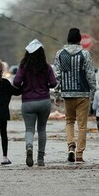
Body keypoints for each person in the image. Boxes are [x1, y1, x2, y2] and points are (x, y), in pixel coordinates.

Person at [53, 27, 97, 163]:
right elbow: (90, 74)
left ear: (68, 39)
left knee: (69, 121)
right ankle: (79, 154)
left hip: (67, 94)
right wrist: (94, 90)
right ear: (79, 40)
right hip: (83, 94)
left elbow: (57, 76)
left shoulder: (60, 54)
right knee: (82, 125)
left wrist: (57, 94)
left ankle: (71, 146)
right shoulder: (85, 54)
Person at [13, 39, 57, 167]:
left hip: (28, 102)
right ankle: (41, 159)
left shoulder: (23, 67)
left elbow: (16, 82)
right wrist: (46, 85)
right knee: (42, 129)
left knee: (29, 129)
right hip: (44, 101)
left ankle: (29, 147)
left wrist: (24, 86)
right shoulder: (47, 67)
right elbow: (54, 83)